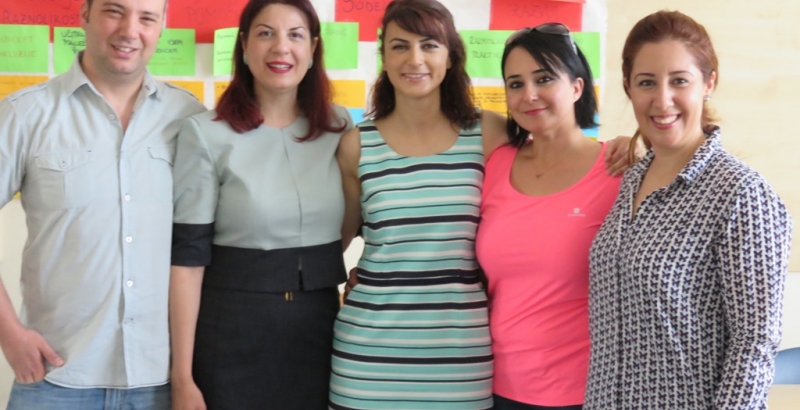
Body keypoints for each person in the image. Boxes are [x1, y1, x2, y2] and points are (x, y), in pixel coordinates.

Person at [329, 2, 633, 409]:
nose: (414, 59)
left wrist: (632, 142)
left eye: (429, 45)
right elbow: (332, 241)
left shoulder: (488, 133)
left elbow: (556, 149)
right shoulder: (356, 145)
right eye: (400, 46)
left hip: (462, 361)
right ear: (384, 56)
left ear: (451, 55)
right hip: (368, 355)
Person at [0, 0, 206, 408]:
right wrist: (9, 333)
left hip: (160, 382)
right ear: (84, 15)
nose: (130, 31)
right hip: (55, 379)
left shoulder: (189, 118)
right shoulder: (26, 114)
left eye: (146, 18)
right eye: (114, 11)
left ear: (161, 26)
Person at [585, 10, 792, 409]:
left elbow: (754, 344)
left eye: (679, 80)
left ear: (708, 83)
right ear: (628, 86)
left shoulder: (741, 193)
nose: (662, 100)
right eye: (647, 82)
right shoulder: (630, 179)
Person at [168, 0, 352, 409]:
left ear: (313, 48)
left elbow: (356, 222)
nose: (281, 47)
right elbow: (187, 261)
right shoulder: (204, 133)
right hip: (230, 334)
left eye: (295, 35)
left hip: (320, 332)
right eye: (266, 33)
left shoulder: (340, 127)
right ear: (244, 46)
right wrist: (181, 377)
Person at [475, 24, 621, 410]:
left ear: (576, 87)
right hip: (496, 386)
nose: (529, 95)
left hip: (585, 392)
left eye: (544, 79)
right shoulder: (495, 164)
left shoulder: (617, 170)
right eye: (516, 84)